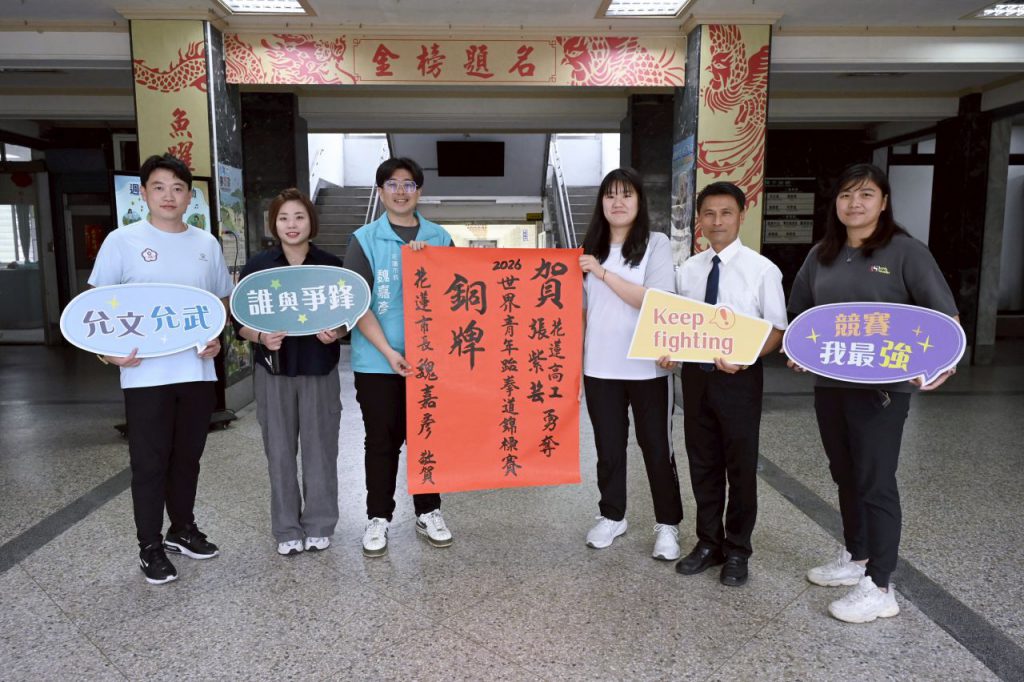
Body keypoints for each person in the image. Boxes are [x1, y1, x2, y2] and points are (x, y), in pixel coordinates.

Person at [787, 163, 958, 622]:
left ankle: (880, 585)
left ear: (884, 203)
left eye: (865, 194)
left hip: (882, 389)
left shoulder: (905, 252)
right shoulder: (821, 255)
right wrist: (798, 352)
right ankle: (857, 556)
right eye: (846, 195)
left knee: (875, 480)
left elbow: (946, 320)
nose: (854, 203)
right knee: (844, 473)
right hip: (830, 386)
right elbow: (801, 317)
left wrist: (941, 363)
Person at [88, 153, 233, 585]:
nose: (169, 195)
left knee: (188, 459)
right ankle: (149, 546)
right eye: (159, 187)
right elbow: (94, 309)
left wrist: (216, 336)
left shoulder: (206, 244)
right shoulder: (122, 241)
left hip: (197, 373)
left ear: (190, 196)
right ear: (144, 194)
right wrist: (108, 354)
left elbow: (220, 302)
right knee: (150, 463)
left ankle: (182, 529)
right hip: (145, 376)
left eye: (177, 188)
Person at [659, 181, 787, 587]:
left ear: (741, 216)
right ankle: (708, 542)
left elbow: (777, 330)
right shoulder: (688, 271)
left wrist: (746, 357)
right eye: (709, 214)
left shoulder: (762, 270)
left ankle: (737, 550)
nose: (717, 221)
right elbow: (677, 324)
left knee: (740, 467)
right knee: (703, 463)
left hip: (740, 380)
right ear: (699, 220)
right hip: (696, 380)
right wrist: (669, 349)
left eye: (726, 213)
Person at [344, 157, 454, 557]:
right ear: (380, 191)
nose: (401, 191)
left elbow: (456, 298)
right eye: (392, 184)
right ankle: (378, 516)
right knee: (382, 440)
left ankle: (429, 511)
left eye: (409, 184)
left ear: (419, 191)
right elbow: (357, 303)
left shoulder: (439, 238)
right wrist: (390, 352)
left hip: (429, 364)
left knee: (428, 437)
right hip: (377, 362)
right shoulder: (364, 239)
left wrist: (431, 264)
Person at [578, 167, 685, 561]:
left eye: (626, 195)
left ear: (640, 201)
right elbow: (581, 310)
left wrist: (602, 272)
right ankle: (612, 515)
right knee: (608, 448)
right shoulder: (589, 248)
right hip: (599, 367)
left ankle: (668, 524)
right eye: (610, 195)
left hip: (647, 367)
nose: (617, 202)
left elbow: (655, 300)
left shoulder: (655, 244)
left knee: (656, 447)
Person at [234, 188, 343, 556]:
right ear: (274, 224)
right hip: (273, 371)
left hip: (319, 369)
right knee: (279, 452)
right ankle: (286, 529)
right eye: (283, 218)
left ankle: (320, 524)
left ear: (311, 221)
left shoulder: (329, 265)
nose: (291, 224)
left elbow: (348, 316)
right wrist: (260, 336)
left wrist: (337, 332)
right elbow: (239, 322)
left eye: (299, 216)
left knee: (320, 450)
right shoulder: (258, 267)